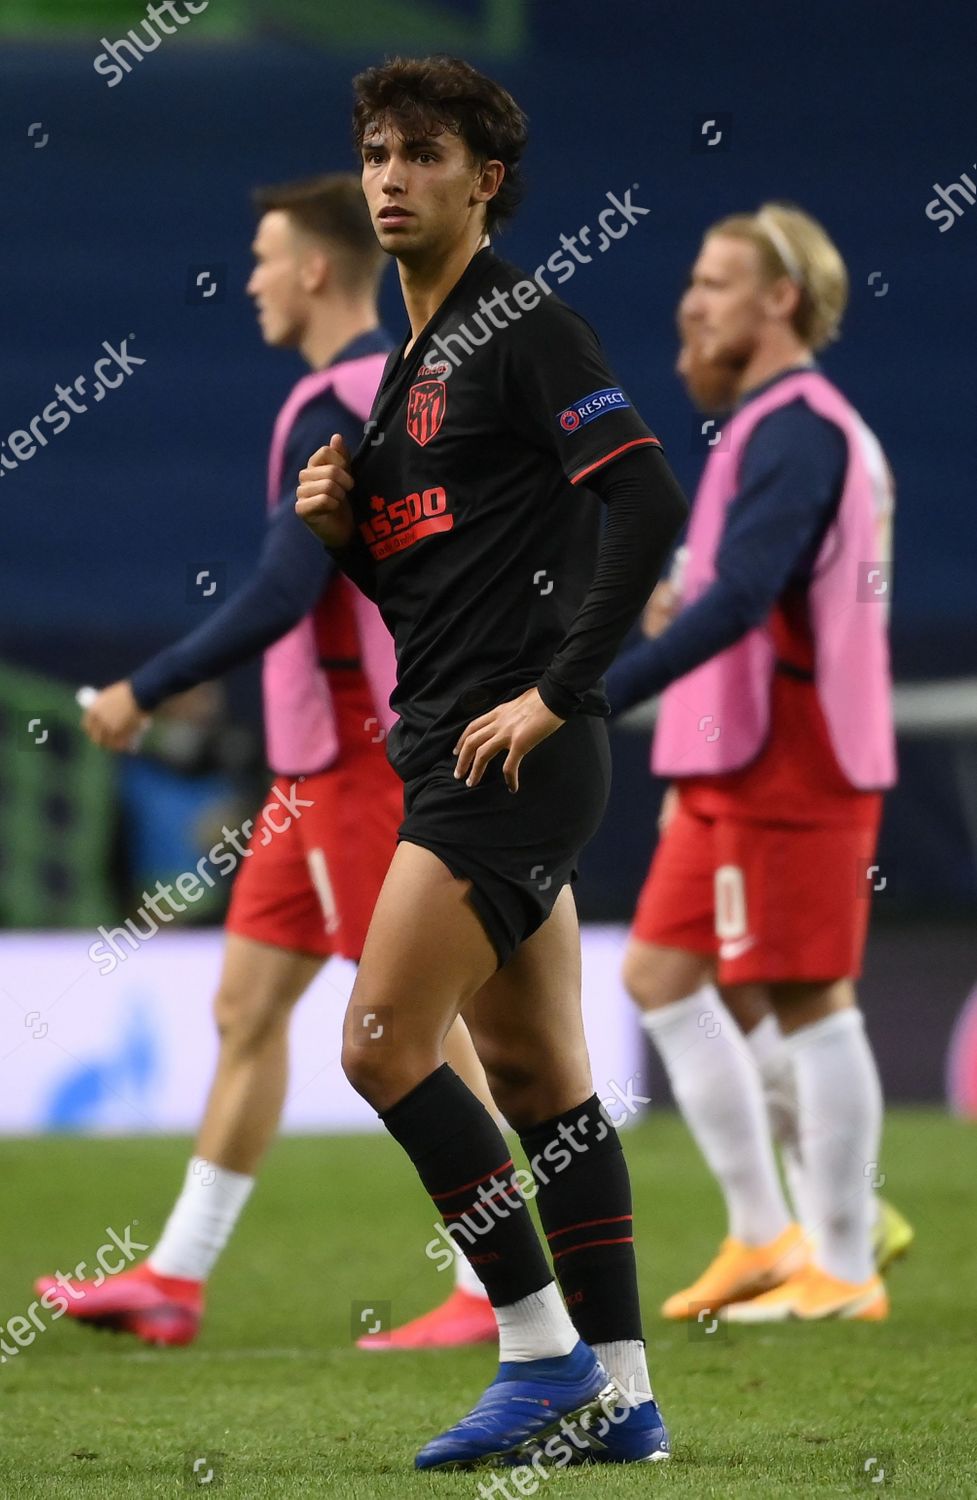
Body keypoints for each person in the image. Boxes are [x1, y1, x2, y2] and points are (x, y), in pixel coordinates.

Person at [296, 55, 688, 1471]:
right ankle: (626, 1398)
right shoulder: (411, 367)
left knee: (381, 1043)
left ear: (486, 182)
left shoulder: (523, 324)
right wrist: (351, 544)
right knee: (538, 1084)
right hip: (459, 746)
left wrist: (561, 689)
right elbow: (432, 603)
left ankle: (539, 1356)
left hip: (511, 758)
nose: (392, 177)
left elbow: (644, 500)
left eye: (424, 154)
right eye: (378, 153)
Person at [35, 173, 498, 1352]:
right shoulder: (399, 390)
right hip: (310, 772)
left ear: (313, 270)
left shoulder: (330, 409)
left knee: (413, 1025)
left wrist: (147, 686)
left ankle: (494, 1282)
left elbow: (286, 589)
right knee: (247, 1009)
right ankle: (175, 1279)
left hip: (354, 762)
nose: (246, 278)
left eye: (260, 256)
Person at [606, 203, 900, 1322]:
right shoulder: (770, 428)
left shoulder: (799, 425)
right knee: (659, 976)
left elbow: (740, 600)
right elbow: (728, 590)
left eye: (716, 281)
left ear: (780, 299)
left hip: (794, 752)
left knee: (811, 996)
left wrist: (594, 696)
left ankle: (841, 1264)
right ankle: (762, 1234)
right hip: (734, 758)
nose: (691, 301)